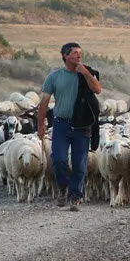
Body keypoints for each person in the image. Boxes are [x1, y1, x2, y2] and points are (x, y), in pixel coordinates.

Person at [37, 42, 102, 211]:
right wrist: (40, 124)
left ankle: (75, 196)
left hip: (82, 126)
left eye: (80, 53)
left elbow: (98, 90)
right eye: (74, 53)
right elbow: (44, 101)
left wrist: (85, 73)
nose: (78, 56)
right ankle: (63, 186)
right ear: (65, 56)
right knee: (58, 159)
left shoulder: (86, 73)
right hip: (61, 124)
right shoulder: (55, 76)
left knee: (80, 163)